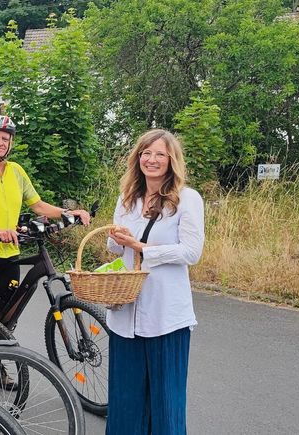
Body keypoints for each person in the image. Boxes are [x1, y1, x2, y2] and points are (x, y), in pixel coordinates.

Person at [104, 129, 204, 434]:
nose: (152, 159)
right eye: (146, 153)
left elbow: (191, 252)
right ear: (138, 158)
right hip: (125, 314)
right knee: (125, 400)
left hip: (165, 316)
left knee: (165, 402)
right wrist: (117, 238)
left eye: (160, 154)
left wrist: (143, 249)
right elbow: (115, 249)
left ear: (171, 160)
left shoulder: (186, 199)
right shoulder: (127, 198)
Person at [0, 115, 91, 329]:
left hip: (10, 253)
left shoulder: (16, 171)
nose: (0, 143)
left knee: (8, 313)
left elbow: (37, 205)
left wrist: (68, 212)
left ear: (11, 142)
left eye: (5, 138)